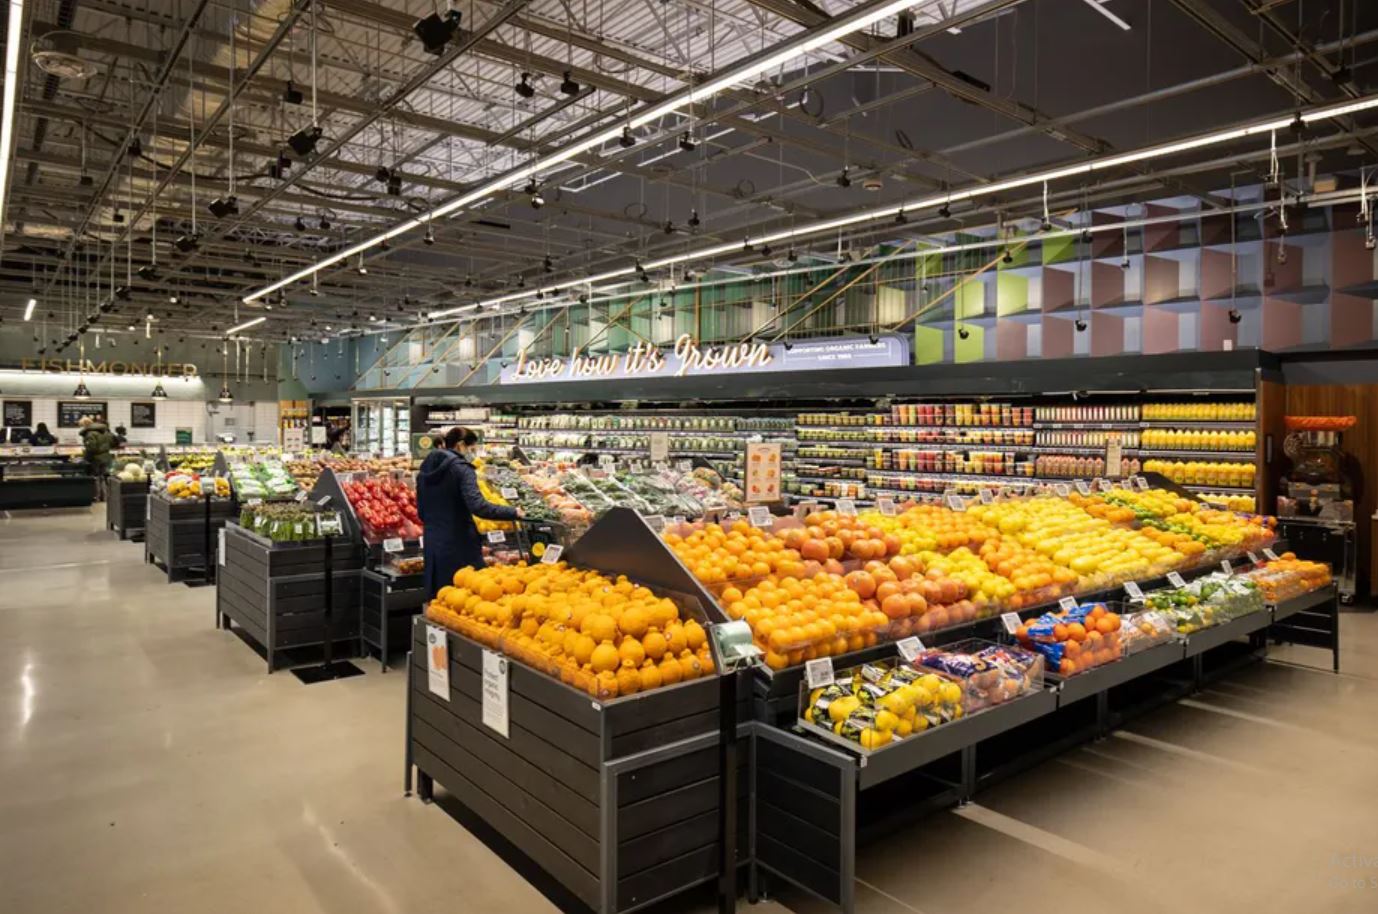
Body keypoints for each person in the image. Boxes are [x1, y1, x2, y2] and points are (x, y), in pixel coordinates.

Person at [416, 426, 520, 600]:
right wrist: (512, 512)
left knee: (440, 599)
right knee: (465, 600)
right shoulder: (463, 469)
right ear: (461, 445)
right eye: (472, 449)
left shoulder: (424, 471)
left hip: (433, 542)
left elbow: (421, 512)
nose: (473, 453)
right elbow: (478, 506)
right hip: (460, 544)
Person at [80, 417, 116, 501]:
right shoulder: (105, 431)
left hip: (95, 458)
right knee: (103, 477)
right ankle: (106, 496)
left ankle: (96, 496)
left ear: (86, 425)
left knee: (95, 477)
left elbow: (91, 448)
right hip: (106, 457)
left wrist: (85, 457)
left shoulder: (90, 434)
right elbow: (113, 442)